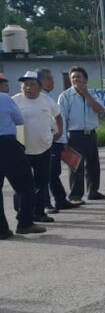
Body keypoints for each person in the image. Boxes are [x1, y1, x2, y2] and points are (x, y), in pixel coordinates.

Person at [12, 71, 61, 224]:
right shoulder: (15, 101)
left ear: (39, 87)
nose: (28, 88)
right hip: (23, 150)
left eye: (32, 84)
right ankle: (22, 212)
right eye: (25, 85)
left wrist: (58, 133)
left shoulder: (47, 101)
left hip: (44, 148)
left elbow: (58, 116)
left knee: (42, 182)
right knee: (22, 184)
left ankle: (39, 213)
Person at [58, 66, 105, 203]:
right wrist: (63, 139)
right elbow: (62, 118)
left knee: (93, 165)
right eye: (73, 77)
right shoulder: (65, 96)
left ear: (85, 79)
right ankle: (75, 195)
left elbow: (100, 110)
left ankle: (93, 191)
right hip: (75, 135)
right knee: (76, 167)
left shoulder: (93, 93)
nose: (76, 80)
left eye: (78, 77)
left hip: (91, 133)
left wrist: (86, 94)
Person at [0, 83, 46, 238]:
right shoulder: (4, 99)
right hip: (6, 144)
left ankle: (2, 230)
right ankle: (25, 223)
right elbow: (19, 120)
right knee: (26, 186)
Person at [35, 69, 75, 214]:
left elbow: (58, 120)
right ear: (39, 81)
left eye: (52, 77)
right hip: (46, 141)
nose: (52, 81)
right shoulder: (38, 98)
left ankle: (60, 200)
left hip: (56, 140)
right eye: (48, 78)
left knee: (54, 172)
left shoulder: (50, 97)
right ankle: (46, 203)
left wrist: (62, 139)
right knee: (45, 174)